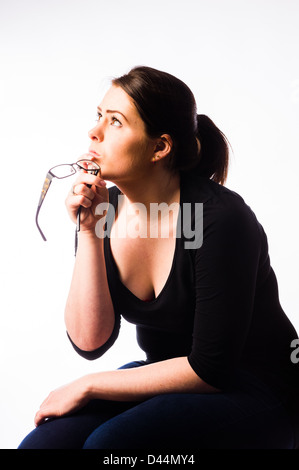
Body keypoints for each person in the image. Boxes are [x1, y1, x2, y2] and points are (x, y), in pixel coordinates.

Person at [19, 66, 299, 449]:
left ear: (159, 147)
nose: (94, 132)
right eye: (98, 116)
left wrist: (89, 385)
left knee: (112, 446)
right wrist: (87, 231)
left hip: (257, 386)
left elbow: (210, 368)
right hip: (167, 378)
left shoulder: (219, 218)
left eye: (115, 122)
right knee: (43, 445)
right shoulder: (106, 211)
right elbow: (89, 341)